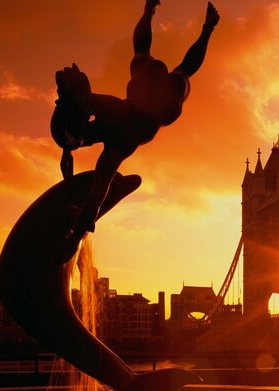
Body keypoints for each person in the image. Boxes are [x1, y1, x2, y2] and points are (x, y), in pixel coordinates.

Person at [51, 0, 220, 262]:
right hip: (123, 126)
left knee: (100, 180)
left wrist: (151, 12)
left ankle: (75, 235)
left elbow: (168, 54)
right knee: (100, 180)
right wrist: (204, 29)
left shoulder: (161, 80)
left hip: (122, 123)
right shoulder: (162, 79)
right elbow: (182, 60)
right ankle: (75, 234)